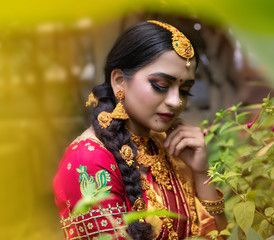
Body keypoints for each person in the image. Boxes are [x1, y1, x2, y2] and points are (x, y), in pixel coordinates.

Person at [53, 20, 227, 240]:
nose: (176, 102)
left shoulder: (166, 144)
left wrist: (201, 172)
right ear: (119, 82)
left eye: (185, 90)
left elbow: (221, 236)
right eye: (161, 85)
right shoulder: (87, 160)